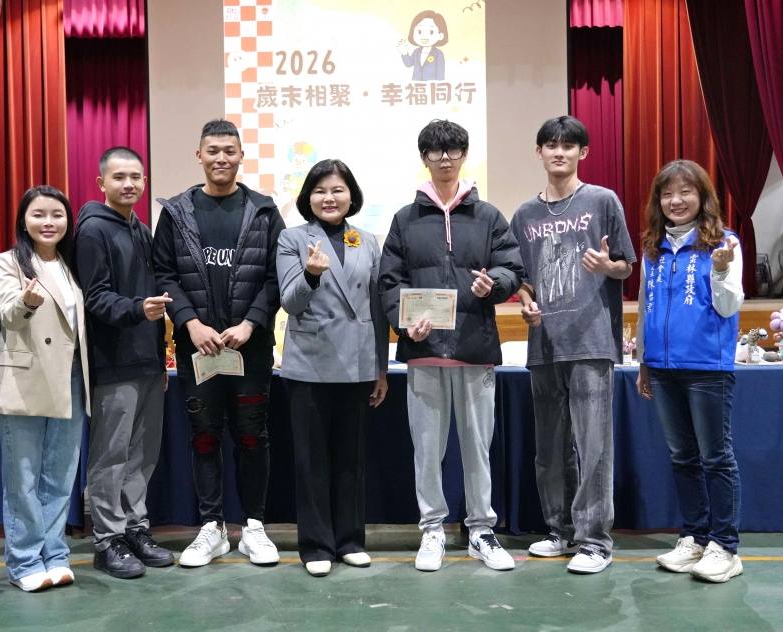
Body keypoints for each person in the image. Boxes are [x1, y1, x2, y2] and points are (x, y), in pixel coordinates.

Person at [379, 119, 523, 573]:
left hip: (475, 348)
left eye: (453, 150)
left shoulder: (489, 216)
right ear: (424, 158)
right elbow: (389, 283)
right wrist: (407, 325)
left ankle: (480, 529)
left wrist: (493, 284)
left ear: (464, 155)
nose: (445, 158)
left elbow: (512, 268)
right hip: (423, 353)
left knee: (478, 446)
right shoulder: (405, 219)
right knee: (427, 449)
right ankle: (432, 529)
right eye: (436, 152)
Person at [154, 119, 285, 567]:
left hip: (251, 349)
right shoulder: (176, 212)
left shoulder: (264, 211)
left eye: (230, 151)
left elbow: (277, 276)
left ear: (241, 156)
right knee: (205, 436)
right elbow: (163, 272)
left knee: (252, 436)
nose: (221, 158)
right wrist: (189, 323)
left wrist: (251, 323)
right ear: (199, 156)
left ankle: (254, 527)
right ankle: (212, 527)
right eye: (213, 150)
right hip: (198, 350)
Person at [511, 116, 636, 574]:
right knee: (550, 448)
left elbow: (625, 265)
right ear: (539, 152)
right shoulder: (524, 215)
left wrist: (607, 267)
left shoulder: (602, 200)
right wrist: (526, 301)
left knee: (593, 445)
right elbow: (522, 279)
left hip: (591, 340)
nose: (559, 152)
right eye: (551, 145)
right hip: (543, 343)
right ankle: (560, 531)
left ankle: (595, 541)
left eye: (568, 146)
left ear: (583, 152)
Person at [276, 159, 390, 577]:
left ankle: (350, 541)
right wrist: (310, 274)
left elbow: (377, 309)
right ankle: (316, 546)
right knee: (311, 462)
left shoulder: (367, 240)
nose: (329, 198)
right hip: (310, 363)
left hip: (358, 363)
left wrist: (381, 368)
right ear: (308, 197)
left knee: (350, 459)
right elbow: (290, 302)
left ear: (351, 196)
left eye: (338, 189)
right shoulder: (292, 238)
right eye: (320, 190)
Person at [635, 160, 744, 583]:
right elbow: (645, 307)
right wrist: (644, 361)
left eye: (685, 192)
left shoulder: (724, 243)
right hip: (663, 369)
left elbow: (728, 307)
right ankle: (695, 537)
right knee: (683, 457)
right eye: (667, 194)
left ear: (702, 197)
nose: (675, 201)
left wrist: (721, 269)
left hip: (706, 367)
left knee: (716, 457)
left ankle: (726, 546)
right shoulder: (653, 247)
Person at [74, 147, 174, 579]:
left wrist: (159, 361)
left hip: (147, 362)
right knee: (110, 455)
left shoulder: (140, 229)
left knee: (141, 456)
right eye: (119, 177)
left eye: (136, 176)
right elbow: (94, 297)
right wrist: (137, 310)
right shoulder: (93, 229)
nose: (129, 184)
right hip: (113, 362)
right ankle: (107, 540)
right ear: (102, 183)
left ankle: (135, 529)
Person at [0, 186, 90, 592]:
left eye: (57, 215)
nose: (49, 222)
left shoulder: (72, 263)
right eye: (38, 214)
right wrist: (27, 302)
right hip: (26, 377)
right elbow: (9, 316)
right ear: (23, 221)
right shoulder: (6, 262)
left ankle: (56, 555)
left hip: (72, 377)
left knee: (60, 475)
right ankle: (24, 561)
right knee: (23, 477)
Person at [396, 10, 448, 81]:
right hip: (416, 83)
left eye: (431, 32)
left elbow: (440, 71)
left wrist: (439, 84)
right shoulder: (416, 52)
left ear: (440, 36)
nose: (424, 35)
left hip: (432, 83)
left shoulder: (438, 53)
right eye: (419, 31)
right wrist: (405, 54)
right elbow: (409, 64)